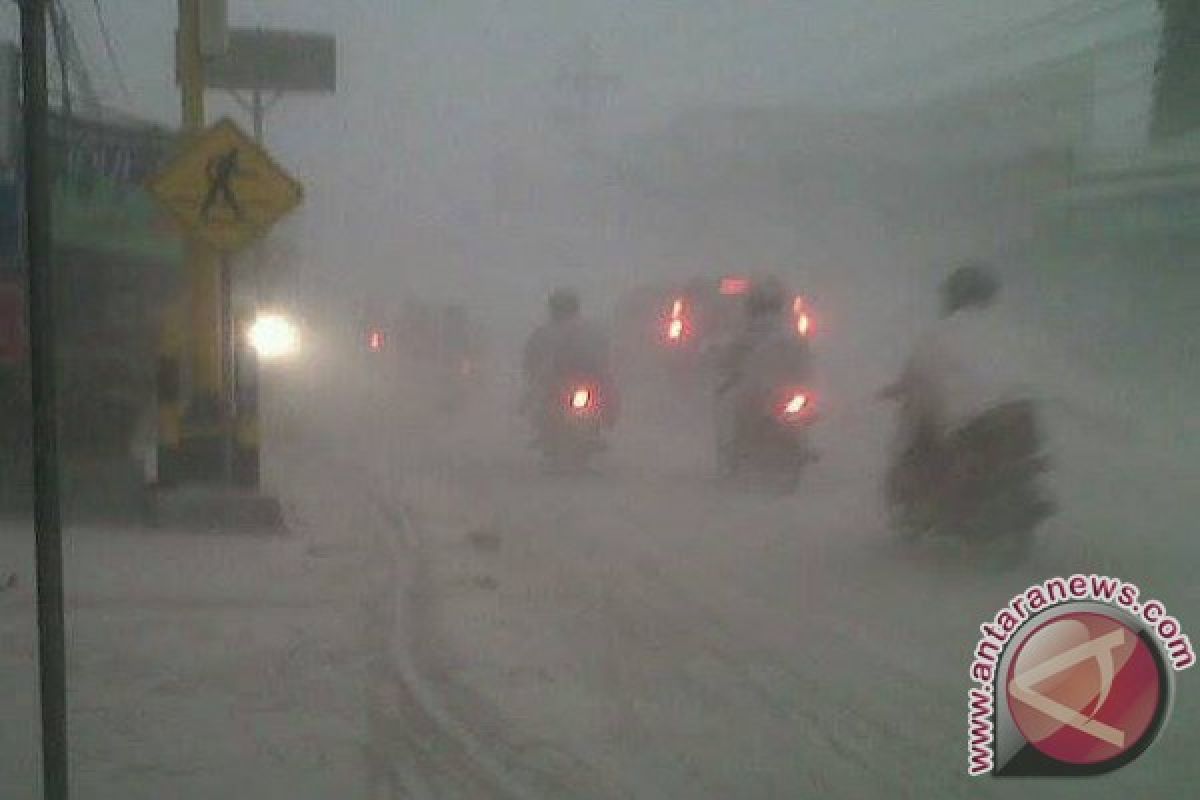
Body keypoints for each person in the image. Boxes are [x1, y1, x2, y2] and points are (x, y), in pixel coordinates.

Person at [883, 261, 1043, 532]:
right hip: (1018, 416)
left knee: (924, 444)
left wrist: (904, 388)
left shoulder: (942, 333)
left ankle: (937, 505)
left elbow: (918, 370)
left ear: (953, 297)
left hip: (970, 420)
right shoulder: (1010, 332)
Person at [715, 276, 813, 470]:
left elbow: (728, 358)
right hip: (785, 392)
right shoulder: (792, 333)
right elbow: (805, 363)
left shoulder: (746, 333)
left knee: (732, 412)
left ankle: (736, 454)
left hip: (755, 392)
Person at [522, 288, 615, 424]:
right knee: (538, 407)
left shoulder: (589, 331)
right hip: (555, 386)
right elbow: (531, 361)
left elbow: (603, 354)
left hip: (585, 383)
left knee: (608, 395)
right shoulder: (543, 334)